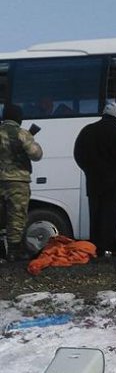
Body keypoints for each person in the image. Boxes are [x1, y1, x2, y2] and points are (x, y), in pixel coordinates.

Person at [73, 102, 116, 255]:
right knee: (111, 217)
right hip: (115, 183)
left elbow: (78, 154)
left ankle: (96, 247)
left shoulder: (88, 130)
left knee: (96, 215)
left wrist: (89, 170)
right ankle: (109, 248)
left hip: (94, 182)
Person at [0, 104, 43, 262]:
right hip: (17, 181)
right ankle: (13, 252)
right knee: (16, 216)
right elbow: (36, 154)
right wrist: (32, 140)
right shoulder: (21, 133)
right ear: (18, 117)